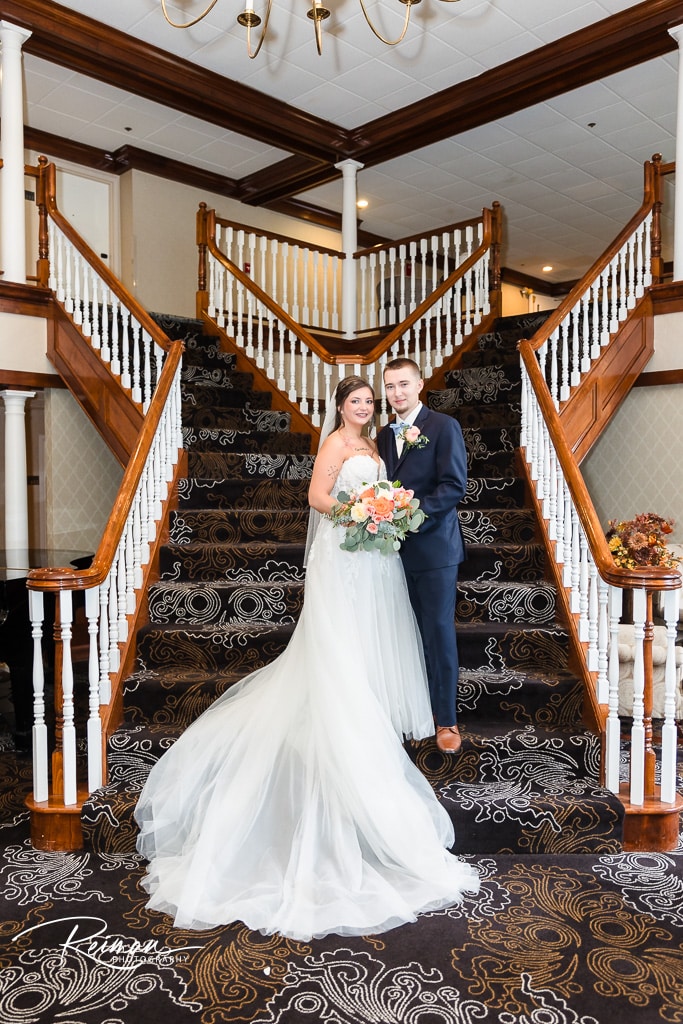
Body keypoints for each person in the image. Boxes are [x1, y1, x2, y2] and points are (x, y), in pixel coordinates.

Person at [134, 376, 479, 941]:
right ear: (340, 406)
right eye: (359, 399)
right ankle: (344, 716)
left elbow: (438, 486)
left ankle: (415, 715)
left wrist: (385, 513)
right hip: (347, 549)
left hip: (384, 555)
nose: (368, 404)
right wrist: (359, 513)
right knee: (340, 638)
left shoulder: (385, 441)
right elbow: (318, 496)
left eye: (374, 398)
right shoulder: (340, 443)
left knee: (388, 635)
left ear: (409, 389)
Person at [377, 358, 467, 755]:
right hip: (391, 554)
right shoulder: (383, 435)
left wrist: (410, 517)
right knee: (404, 635)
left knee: (437, 632)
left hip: (434, 549)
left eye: (403, 384)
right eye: (390, 386)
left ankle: (446, 719)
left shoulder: (444, 426)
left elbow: (453, 486)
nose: (397, 392)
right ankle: (415, 712)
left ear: (419, 385)